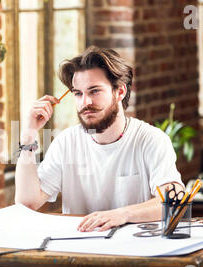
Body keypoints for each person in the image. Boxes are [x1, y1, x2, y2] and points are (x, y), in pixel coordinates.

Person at [15, 45, 185, 232]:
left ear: (120, 92)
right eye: (78, 93)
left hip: (136, 252)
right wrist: (28, 134)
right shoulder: (66, 142)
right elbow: (27, 204)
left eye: (94, 91)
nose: (85, 102)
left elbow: (174, 201)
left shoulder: (151, 140)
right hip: (79, 253)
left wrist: (121, 215)